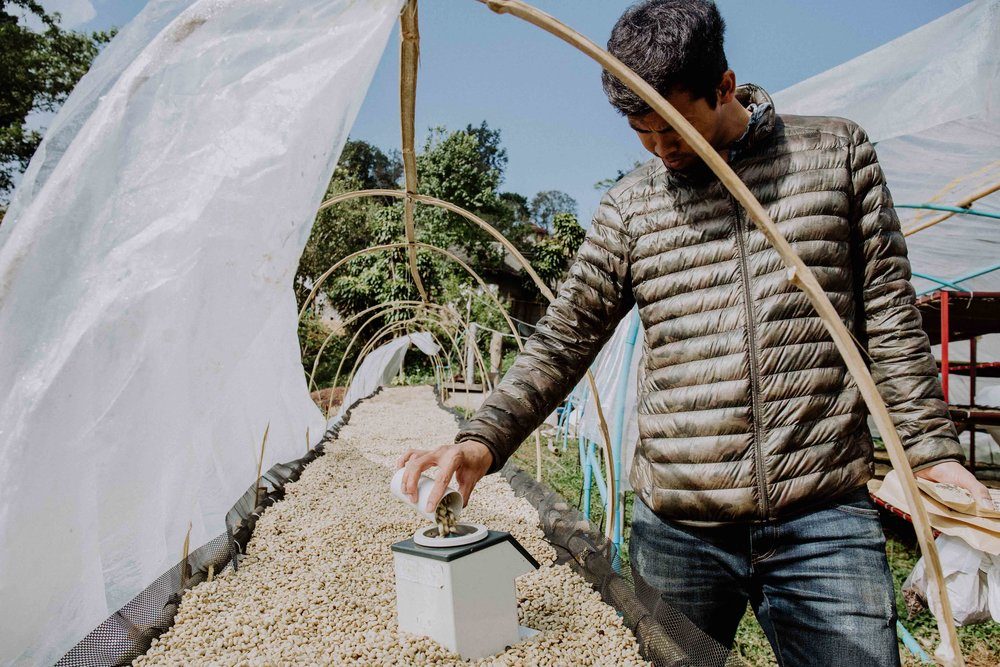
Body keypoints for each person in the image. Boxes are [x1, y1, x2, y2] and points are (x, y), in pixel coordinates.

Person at [397, 1, 992, 664]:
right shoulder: (633, 206)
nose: (662, 148)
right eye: (642, 131)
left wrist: (931, 451)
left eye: (675, 127)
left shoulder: (836, 156)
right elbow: (565, 334)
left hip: (820, 516)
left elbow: (887, 313)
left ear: (725, 86)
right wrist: (484, 438)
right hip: (680, 525)